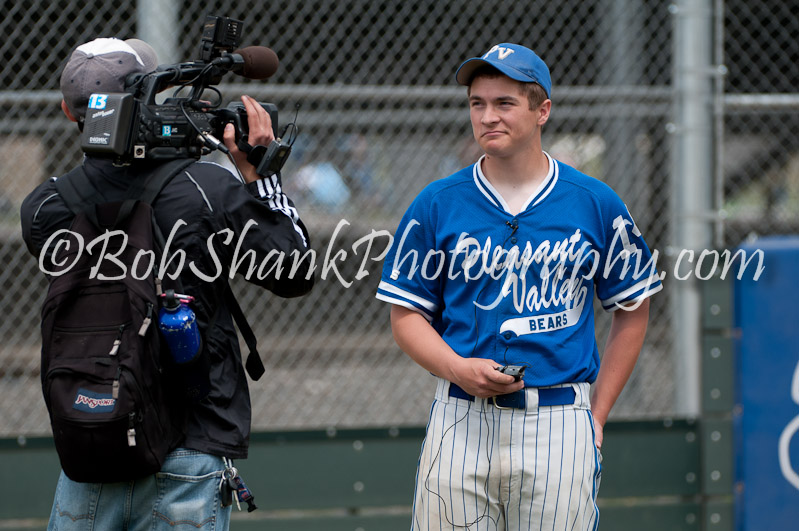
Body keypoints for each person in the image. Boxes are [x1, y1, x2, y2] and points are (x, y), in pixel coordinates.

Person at [20, 37, 314, 530]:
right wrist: (260, 178)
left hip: (91, 442)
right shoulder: (207, 188)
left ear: (71, 115)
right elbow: (293, 271)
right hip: (189, 447)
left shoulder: (45, 208)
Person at [375, 43, 662, 529]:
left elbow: (633, 306)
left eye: (504, 103)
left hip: (558, 421)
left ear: (542, 110)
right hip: (461, 418)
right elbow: (405, 316)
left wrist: (598, 415)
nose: (488, 116)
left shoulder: (593, 201)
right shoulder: (437, 203)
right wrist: (457, 368)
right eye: (477, 103)